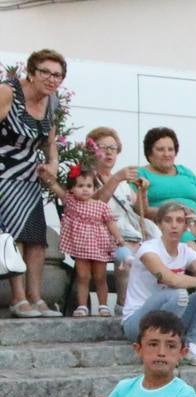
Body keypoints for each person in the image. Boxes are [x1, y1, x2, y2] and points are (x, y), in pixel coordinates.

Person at [120, 202, 196, 366]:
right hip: (137, 322)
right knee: (179, 294)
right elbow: (172, 280)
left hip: (171, 314)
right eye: (168, 220)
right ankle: (169, 347)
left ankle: (190, 344)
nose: (174, 225)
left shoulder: (185, 250)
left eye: (180, 221)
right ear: (160, 224)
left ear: (185, 225)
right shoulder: (148, 249)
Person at [1, 49, 64, 318]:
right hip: (3, 171)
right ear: (31, 72)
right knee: (12, 237)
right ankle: (18, 299)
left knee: (37, 240)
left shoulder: (51, 101)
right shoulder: (8, 92)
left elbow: (51, 142)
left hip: (29, 174)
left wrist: (52, 164)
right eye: (46, 73)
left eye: (58, 75)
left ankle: (36, 298)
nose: (52, 79)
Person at [87, 125, 153, 311]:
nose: (109, 153)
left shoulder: (123, 182)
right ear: (92, 150)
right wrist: (116, 178)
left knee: (154, 254)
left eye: (113, 148)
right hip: (101, 233)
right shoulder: (88, 177)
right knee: (129, 254)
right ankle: (124, 305)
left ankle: (142, 304)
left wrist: (143, 191)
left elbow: (141, 212)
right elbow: (94, 205)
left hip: (128, 233)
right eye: (103, 147)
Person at [53, 168, 125, 317]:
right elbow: (56, 188)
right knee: (83, 276)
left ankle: (103, 305)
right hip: (80, 247)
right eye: (80, 186)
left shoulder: (101, 206)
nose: (85, 189)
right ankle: (82, 306)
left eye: (89, 186)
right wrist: (49, 179)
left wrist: (118, 237)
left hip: (99, 245)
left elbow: (110, 223)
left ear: (94, 188)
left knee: (100, 277)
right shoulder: (71, 202)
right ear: (72, 189)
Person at [136, 127, 196, 240]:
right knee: (189, 239)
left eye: (171, 149)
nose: (167, 154)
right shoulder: (141, 174)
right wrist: (177, 213)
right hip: (168, 230)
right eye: (160, 149)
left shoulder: (185, 172)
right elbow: (139, 209)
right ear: (149, 153)